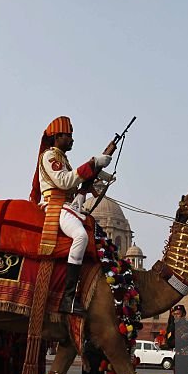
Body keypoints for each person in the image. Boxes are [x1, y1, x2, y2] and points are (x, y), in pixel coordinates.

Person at [29, 116, 115, 314]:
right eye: (68, 136)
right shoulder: (49, 156)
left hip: (67, 205)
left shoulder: (62, 158)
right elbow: (65, 182)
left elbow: (75, 181)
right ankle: (68, 298)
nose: (72, 140)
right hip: (54, 206)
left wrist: (99, 171)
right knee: (81, 236)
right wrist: (93, 163)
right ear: (57, 136)